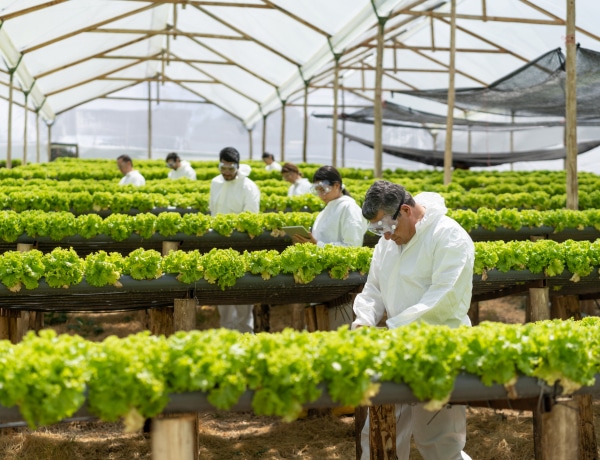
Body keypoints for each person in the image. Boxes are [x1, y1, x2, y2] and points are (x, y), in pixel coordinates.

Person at [352, 180, 474, 460]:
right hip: (396, 349)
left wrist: (390, 329)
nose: (384, 237)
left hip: (439, 349)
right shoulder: (388, 243)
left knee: (439, 443)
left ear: (405, 210)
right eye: (376, 230)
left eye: (386, 227)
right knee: (379, 437)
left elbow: (441, 300)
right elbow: (373, 289)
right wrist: (363, 321)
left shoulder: (448, 236)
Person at [209, 146, 260, 333]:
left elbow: (251, 219)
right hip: (218, 249)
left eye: (230, 169)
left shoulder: (248, 187)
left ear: (237, 166)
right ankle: (226, 336)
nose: (227, 172)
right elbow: (212, 213)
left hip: (241, 250)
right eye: (223, 168)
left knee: (243, 297)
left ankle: (246, 336)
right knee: (222, 298)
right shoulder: (215, 183)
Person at [290, 165, 367, 247]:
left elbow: (353, 245)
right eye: (317, 191)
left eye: (323, 190)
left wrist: (317, 245)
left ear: (336, 186)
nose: (320, 195)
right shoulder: (326, 210)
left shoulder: (349, 207)